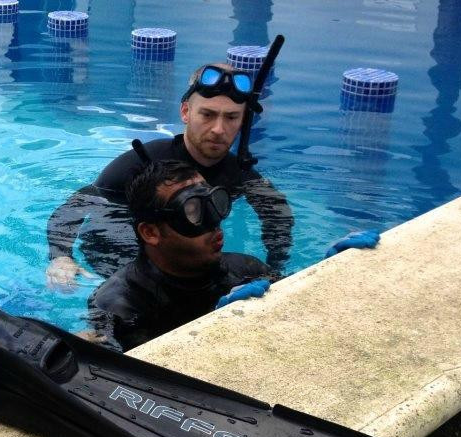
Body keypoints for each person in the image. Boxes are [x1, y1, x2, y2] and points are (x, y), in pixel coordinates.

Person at [46, 62, 293, 291]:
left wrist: (277, 265)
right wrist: (61, 257)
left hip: (182, 257)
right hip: (114, 247)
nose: (219, 129)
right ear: (186, 112)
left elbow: (278, 216)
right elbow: (75, 207)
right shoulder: (142, 163)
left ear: (243, 120)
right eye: (207, 115)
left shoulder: (239, 173)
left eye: (231, 117)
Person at [87, 160, 275, 352]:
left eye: (215, 202)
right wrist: (219, 327)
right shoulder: (119, 306)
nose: (214, 224)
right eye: (192, 211)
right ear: (151, 232)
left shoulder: (248, 270)